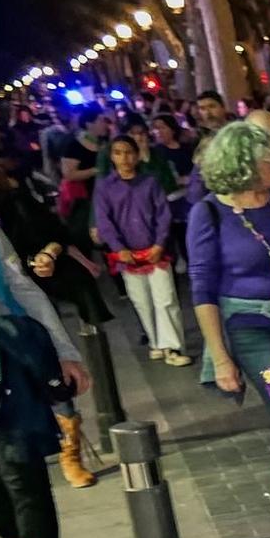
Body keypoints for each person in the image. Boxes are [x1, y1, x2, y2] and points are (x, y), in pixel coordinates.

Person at [187, 120, 270, 529]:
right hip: (251, 326)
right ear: (244, 164)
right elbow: (202, 289)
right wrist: (221, 357)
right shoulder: (209, 212)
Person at [0, 219, 92, 538]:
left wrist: (63, 350)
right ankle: (13, 536)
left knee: (22, 468)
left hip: (4, 360)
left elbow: (21, 286)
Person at [92, 134, 188, 366]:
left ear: (136, 155)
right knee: (142, 301)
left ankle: (172, 347)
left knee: (165, 298)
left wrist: (159, 243)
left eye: (128, 152)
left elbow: (163, 215)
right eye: (118, 153)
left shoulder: (150, 182)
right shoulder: (105, 188)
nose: (124, 158)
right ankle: (156, 342)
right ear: (112, 157)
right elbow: (104, 221)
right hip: (126, 255)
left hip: (156, 250)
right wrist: (118, 247)